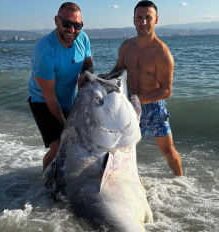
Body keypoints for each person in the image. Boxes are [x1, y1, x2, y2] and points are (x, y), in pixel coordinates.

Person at [99, 0, 183, 176]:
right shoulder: (126, 47)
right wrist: (105, 77)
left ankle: (180, 180)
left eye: (148, 18)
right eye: (139, 18)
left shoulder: (162, 53)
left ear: (156, 20)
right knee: (120, 150)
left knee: (168, 151)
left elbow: (166, 91)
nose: (143, 22)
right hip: (127, 106)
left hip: (152, 106)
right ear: (134, 20)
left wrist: (136, 100)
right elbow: (118, 71)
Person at [28, 2, 93, 172]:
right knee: (59, 147)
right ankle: (45, 181)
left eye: (77, 25)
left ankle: (66, 179)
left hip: (68, 99)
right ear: (57, 20)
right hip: (42, 101)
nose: (72, 30)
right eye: (67, 24)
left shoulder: (82, 38)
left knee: (76, 147)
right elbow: (50, 97)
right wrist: (67, 127)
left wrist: (84, 75)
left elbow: (88, 64)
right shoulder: (44, 51)